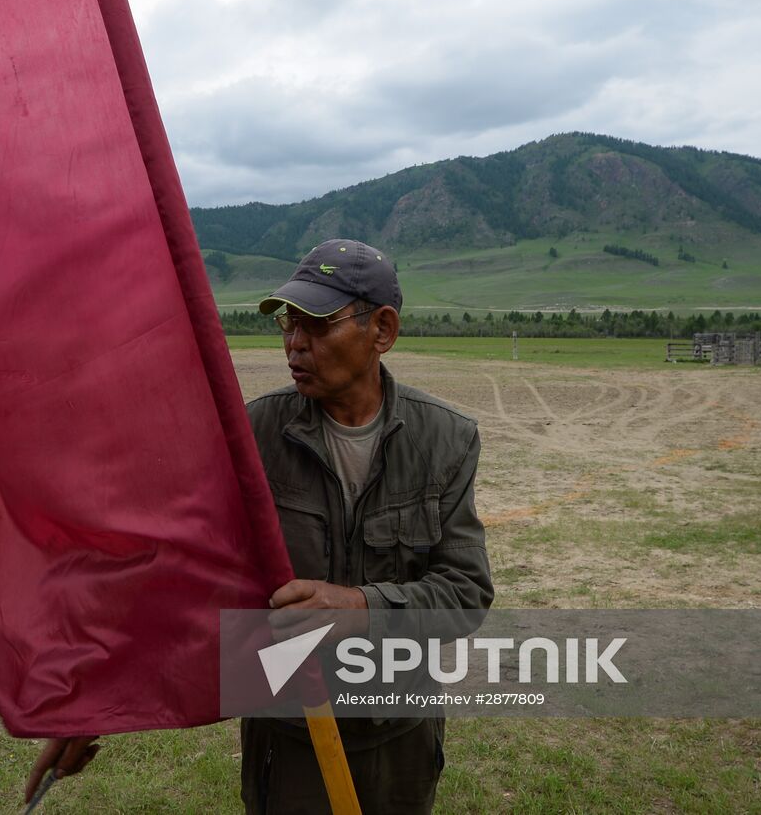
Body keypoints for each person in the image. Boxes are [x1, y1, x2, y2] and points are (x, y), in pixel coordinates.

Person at [25, 239, 493, 813]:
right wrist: (94, 699)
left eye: (316, 326)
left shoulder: (446, 439)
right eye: (288, 326)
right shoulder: (256, 435)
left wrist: (360, 608)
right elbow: (181, 576)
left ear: (383, 330)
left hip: (398, 739)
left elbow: (465, 592)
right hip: (289, 736)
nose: (294, 344)